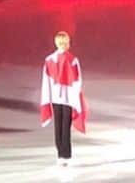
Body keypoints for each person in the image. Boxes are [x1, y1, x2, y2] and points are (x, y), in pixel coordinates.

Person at [39, 30, 87, 168]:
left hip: (55, 97)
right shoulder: (72, 60)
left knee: (58, 125)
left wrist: (47, 97)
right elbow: (78, 80)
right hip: (68, 98)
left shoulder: (49, 60)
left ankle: (60, 154)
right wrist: (76, 96)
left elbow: (46, 80)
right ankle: (66, 155)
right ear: (66, 43)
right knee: (66, 126)